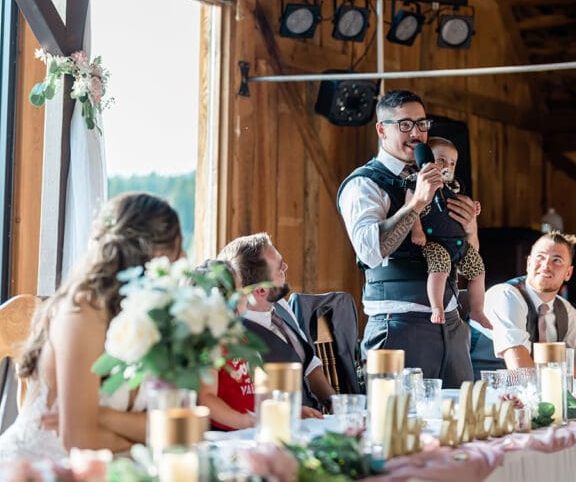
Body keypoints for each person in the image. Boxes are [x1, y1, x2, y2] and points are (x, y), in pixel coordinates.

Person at [0, 193, 184, 470]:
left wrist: (103, 417)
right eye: (177, 250)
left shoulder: (148, 318)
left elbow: (172, 425)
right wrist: (145, 444)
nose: (183, 259)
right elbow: (81, 441)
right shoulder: (83, 313)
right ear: (155, 254)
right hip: (28, 474)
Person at [338, 89, 478, 387]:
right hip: (399, 325)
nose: (416, 133)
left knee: (461, 424)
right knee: (400, 423)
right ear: (381, 129)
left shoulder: (436, 175)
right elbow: (370, 252)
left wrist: (470, 227)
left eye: (422, 124)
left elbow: (466, 258)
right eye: (404, 125)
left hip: (451, 324)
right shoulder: (364, 184)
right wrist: (415, 204)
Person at [217, 233, 331, 416]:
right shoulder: (235, 332)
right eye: (279, 268)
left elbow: (309, 365)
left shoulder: (280, 304)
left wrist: (333, 402)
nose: (286, 267)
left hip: (315, 417)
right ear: (262, 290)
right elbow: (246, 401)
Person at [469, 231, 576, 375]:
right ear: (528, 263)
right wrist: (574, 373)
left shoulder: (565, 309)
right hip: (483, 392)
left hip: (535, 395)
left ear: (568, 273)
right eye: (540, 257)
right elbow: (522, 372)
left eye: (557, 260)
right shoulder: (506, 296)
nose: (546, 265)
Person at [408, 137, 491, 329]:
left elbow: (459, 203)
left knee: (478, 270)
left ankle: (477, 310)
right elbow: (411, 207)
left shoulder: (452, 187)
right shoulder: (418, 184)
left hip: (458, 243)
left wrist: (472, 207)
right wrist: (417, 230)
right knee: (440, 266)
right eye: (441, 160)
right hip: (435, 242)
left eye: (452, 163)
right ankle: (437, 307)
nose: (447, 166)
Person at [195, 260, 255, 431]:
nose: (245, 293)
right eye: (240, 287)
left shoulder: (240, 336)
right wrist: (244, 421)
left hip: (251, 429)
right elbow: (206, 398)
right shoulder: (211, 342)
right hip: (227, 435)